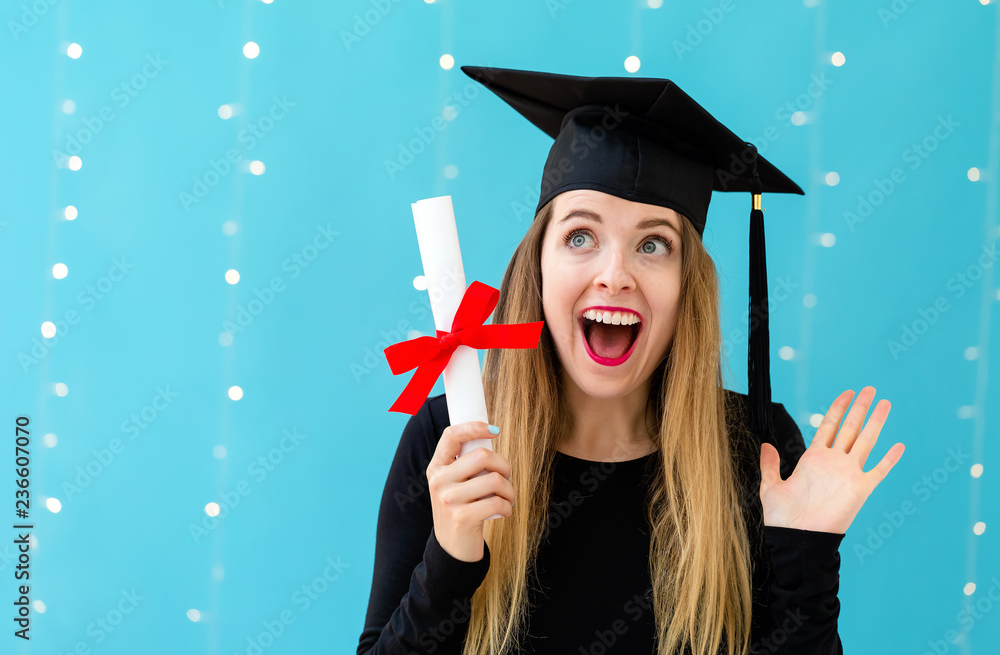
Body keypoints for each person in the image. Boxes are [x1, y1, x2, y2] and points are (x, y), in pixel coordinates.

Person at [357, 66, 905, 655]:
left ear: (686, 288)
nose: (615, 275)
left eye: (653, 245)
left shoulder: (754, 447)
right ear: (537, 268)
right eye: (580, 236)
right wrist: (451, 556)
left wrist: (806, 558)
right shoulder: (453, 444)